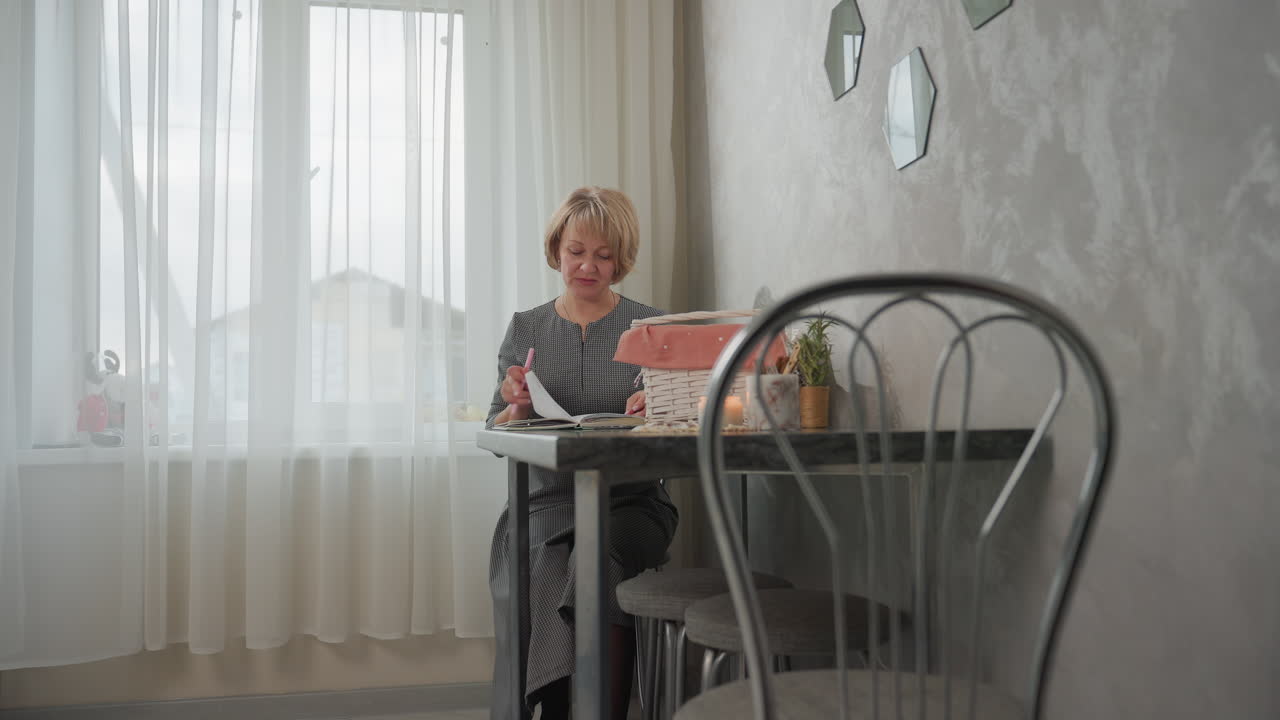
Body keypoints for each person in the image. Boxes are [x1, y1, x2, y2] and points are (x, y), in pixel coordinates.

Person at [486, 186, 679, 720]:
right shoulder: (527, 328)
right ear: (557, 250)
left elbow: (681, 429)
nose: (588, 266)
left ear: (621, 260)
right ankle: (559, 711)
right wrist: (517, 408)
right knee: (553, 563)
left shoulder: (651, 328)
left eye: (603, 255)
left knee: (595, 561)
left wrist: (655, 407)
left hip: (632, 505)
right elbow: (495, 429)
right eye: (576, 251)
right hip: (547, 506)